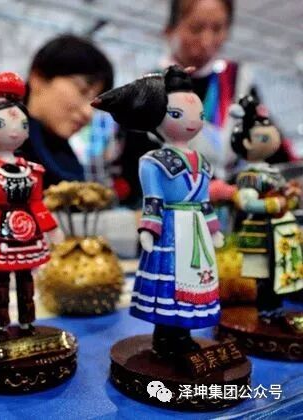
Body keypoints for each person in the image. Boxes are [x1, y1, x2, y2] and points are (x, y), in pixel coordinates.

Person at [93, 66, 224, 358]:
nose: (192, 121)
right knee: (170, 284)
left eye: (199, 115)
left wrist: (213, 228)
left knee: (192, 282)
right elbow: (153, 200)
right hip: (170, 229)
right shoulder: (153, 161)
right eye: (177, 114)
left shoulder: (202, 162)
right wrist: (148, 229)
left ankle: (183, 335)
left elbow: (204, 200)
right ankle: (164, 338)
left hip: (196, 230)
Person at [114, 0, 297, 207]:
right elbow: (133, 170)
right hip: (173, 209)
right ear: (170, 30)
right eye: (196, 28)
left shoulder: (238, 82)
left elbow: (269, 143)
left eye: (218, 29)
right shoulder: (149, 89)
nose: (207, 41)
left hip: (233, 207)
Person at [0, 34, 114, 240]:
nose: (88, 113)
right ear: (38, 78)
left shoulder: (63, 154)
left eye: (95, 103)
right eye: (83, 91)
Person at [0, 72, 63, 340]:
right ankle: (0, 325)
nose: (14, 130)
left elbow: (37, 204)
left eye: (22, 123)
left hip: (28, 236)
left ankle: (28, 322)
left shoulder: (34, 171)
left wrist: (51, 228)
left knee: (27, 281)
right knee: (0, 284)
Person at [231, 94, 303, 324]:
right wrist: (272, 204)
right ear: (246, 143)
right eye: (263, 136)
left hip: (280, 233)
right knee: (264, 274)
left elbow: (283, 199)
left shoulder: (273, 172)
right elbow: (245, 202)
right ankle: (266, 310)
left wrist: (291, 197)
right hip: (262, 233)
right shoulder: (250, 175)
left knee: (280, 271)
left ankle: (277, 309)